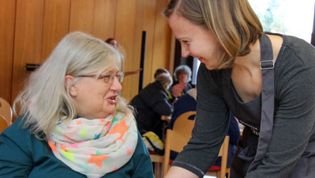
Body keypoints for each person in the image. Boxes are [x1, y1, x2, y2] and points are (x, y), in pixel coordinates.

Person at [163, 0, 315, 178]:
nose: (184, 53)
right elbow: (202, 146)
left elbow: (276, 166)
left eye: (186, 41)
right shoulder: (211, 71)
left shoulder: (300, 65)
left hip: (303, 162)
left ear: (217, 27)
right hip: (252, 156)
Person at [0, 32, 153, 178]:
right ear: (71, 85)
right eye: (106, 77)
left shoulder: (125, 131)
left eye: (118, 77)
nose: (118, 86)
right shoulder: (30, 131)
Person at [169, 88, 240, 168]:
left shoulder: (181, 101)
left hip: (179, 154)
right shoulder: (222, 104)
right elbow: (235, 136)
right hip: (214, 159)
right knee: (233, 147)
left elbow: (172, 127)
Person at [130, 69, 173, 139]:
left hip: (135, 120)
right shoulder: (157, 92)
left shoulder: (151, 88)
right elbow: (167, 110)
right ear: (166, 84)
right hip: (141, 126)